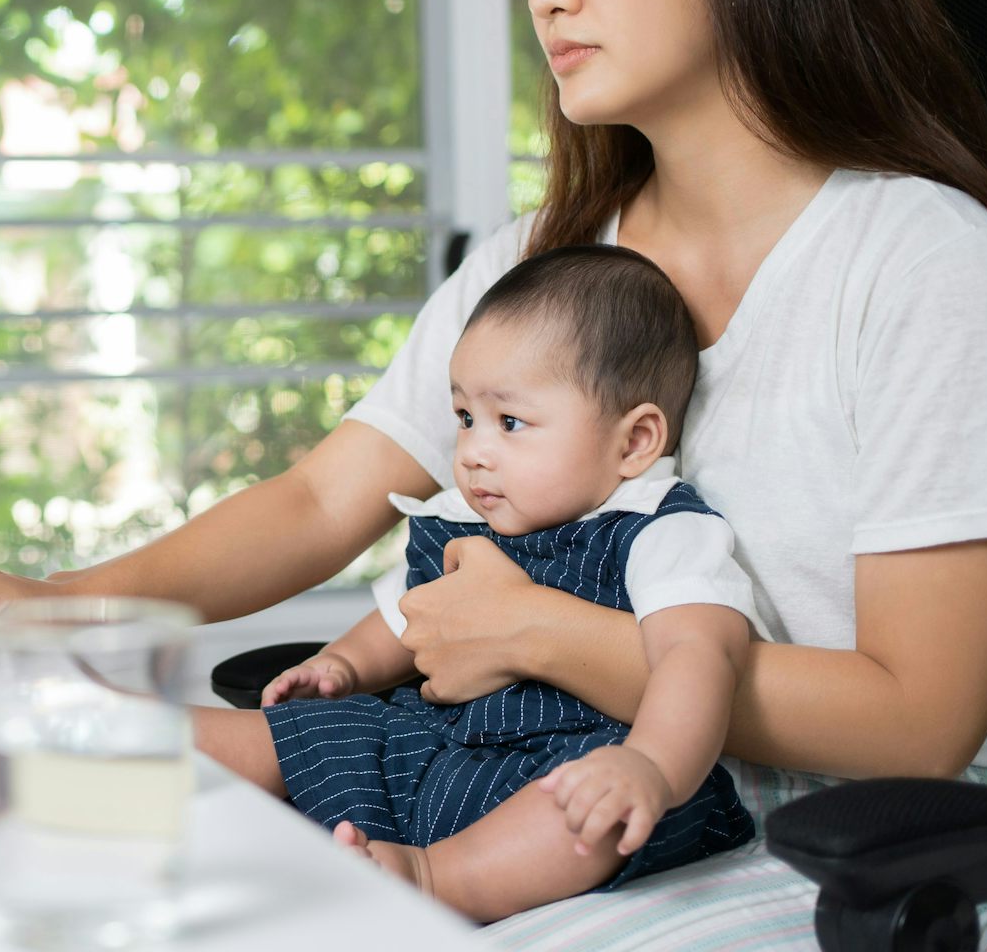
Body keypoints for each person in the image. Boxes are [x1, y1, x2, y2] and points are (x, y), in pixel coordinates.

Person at [0, 0, 987, 948]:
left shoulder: (930, 265)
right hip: (545, 782)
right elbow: (324, 498)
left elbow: (918, 715)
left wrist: (537, 632)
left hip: (877, 849)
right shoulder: (540, 261)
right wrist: (54, 603)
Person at [194, 244, 763, 923]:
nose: (472, 450)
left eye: (510, 422)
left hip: (557, 768)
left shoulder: (659, 529)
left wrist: (653, 766)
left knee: (590, 813)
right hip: (432, 752)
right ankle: (120, 752)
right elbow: (407, 617)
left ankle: (436, 879)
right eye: (465, 418)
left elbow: (696, 659)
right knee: (306, 728)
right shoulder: (465, 517)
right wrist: (343, 664)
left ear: (634, 441)